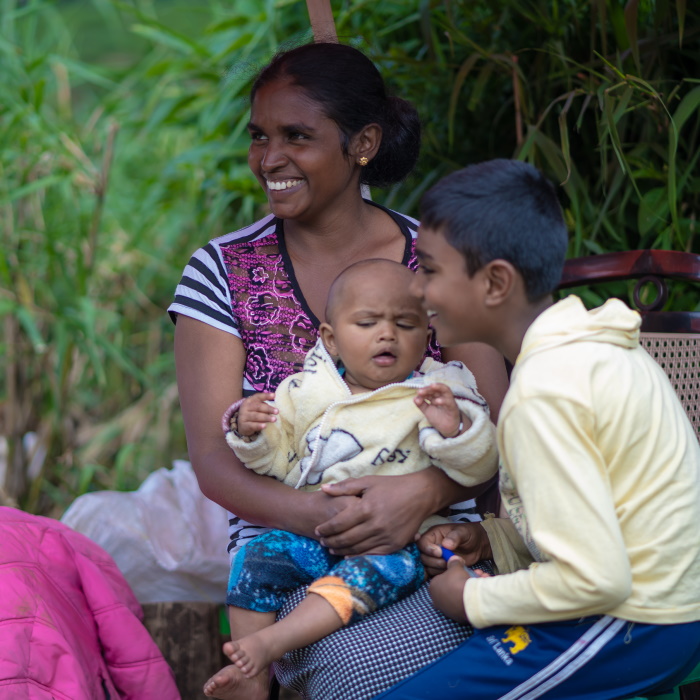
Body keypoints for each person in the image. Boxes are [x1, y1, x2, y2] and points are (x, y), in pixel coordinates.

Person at [170, 42, 509, 700]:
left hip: (445, 544)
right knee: (366, 670)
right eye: (260, 137)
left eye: (297, 136)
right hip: (288, 562)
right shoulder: (222, 273)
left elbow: (504, 421)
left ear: (364, 144)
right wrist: (328, 517)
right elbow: (214, 463)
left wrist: (421, 495)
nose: (270, 160)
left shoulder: (436, 259)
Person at [375, 158, 700, 699]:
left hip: (637, 622)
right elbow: (602, 512)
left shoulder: (544, 392)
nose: (416, 288)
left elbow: (595, 579)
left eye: (430, 269)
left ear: (496, 281)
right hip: (669, 608)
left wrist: (469, 602)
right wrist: (493, 538)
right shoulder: (589, 346)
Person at [203, 260, 498, 697]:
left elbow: (481, 462)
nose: (387, 334)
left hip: (402, 543)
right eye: (367, 322)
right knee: (257, 558)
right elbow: (275, 461)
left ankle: (269, 644)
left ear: (426, 335)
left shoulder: (439, 389)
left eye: (405, 323)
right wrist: (250, 431)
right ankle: (249, 682)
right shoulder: (306, 392)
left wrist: (455, 429)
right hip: (317, 535)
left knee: (368, 575)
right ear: (331, 339)